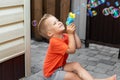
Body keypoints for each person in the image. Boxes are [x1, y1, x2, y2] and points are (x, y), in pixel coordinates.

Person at [37, 14, 116, 80]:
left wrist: (74, 33)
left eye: (57, 20)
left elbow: (78, 45)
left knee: (76, 65)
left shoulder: (64, 36)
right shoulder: (54, 42)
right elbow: (72, 50)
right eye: (55, 23)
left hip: (59, 66)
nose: (59, 22)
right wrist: (70, 34)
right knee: (73, 76)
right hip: (51, 73)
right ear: (50, 33)